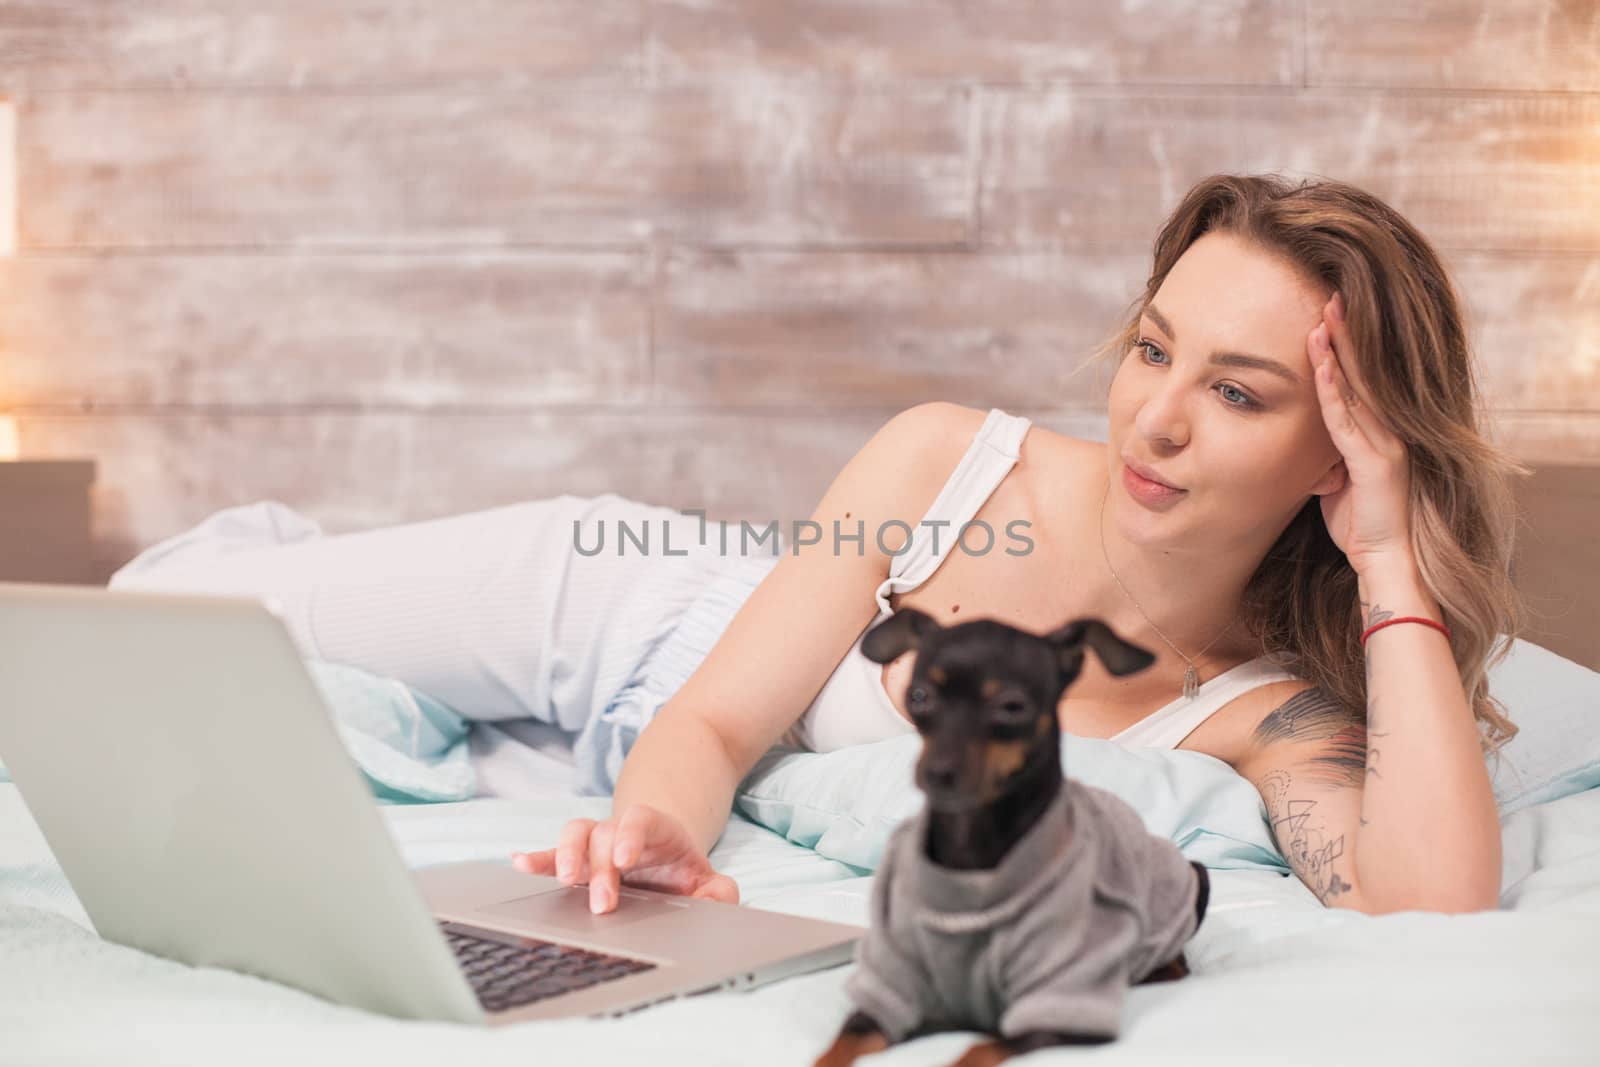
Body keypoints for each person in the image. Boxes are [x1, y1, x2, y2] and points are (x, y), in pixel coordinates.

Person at [111, 173, 1523, 919]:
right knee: (158, 614)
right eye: (1153, 348)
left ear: (1344, 446)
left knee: (350, 749)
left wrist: (1392, 563)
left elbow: (1433, 904)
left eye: (1235, 391)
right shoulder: (946, 459)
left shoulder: (1264, 713)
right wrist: (670, 792)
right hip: (621, 615)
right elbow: (721, 716)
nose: (1154, 419)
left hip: (604, 745)